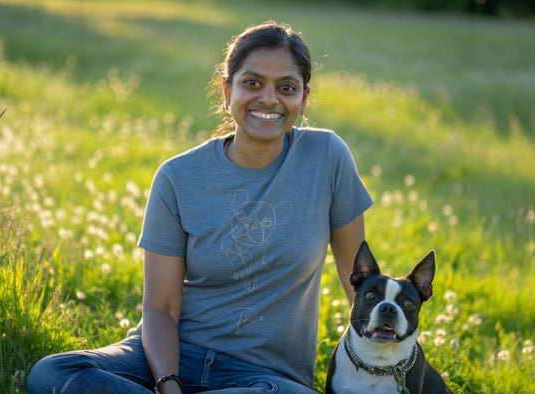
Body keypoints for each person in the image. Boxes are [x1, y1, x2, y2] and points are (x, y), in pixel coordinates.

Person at [28, 21, 372, 394]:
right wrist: (168, 382)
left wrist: (394, 361)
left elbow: (360, 284)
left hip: (266, 378)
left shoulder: (326, 157)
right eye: (252, 83)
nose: (269, 99)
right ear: (227, 90)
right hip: (171, 357)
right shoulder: (178, 177)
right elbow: (160, 310)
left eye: (286, 87)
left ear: (304, 98)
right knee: (54, 373)